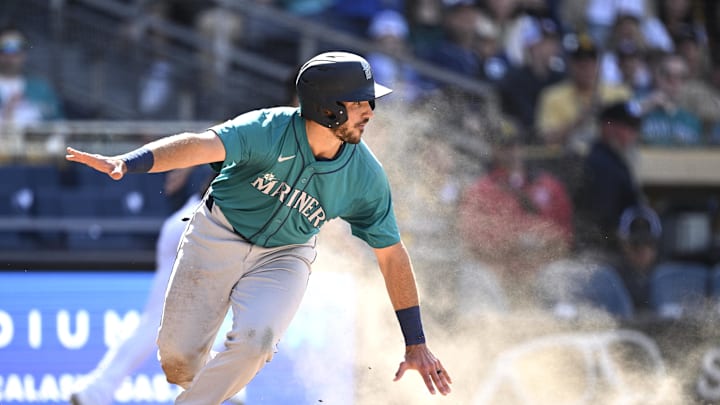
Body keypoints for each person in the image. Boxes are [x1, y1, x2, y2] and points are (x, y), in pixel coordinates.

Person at [65, 51, 452, 404]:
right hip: (217, 233)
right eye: (359, 101)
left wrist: (415, 342)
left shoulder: (366, 176)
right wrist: (128, 163)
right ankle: (223, 393)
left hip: (285, 255)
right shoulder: (267, 128)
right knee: (178, 362)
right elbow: (200, 146)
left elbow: (391, 256)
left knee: (257, 342)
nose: (370, 110)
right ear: (328, 108)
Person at [68, 171, 242, 405]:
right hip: (202, 226)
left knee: (161, 322)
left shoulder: (262, 156)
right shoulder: (261, 156)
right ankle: (98, 389)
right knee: (166, 323)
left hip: (187, 224)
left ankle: (97, 389)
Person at [457, 119, 574, 302]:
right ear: (494, 149)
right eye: (504, 146)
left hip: (544, 269)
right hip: (499, 274)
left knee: (562, 276)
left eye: (514, 144)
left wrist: (541, 239)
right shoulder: (480, 191)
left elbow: (565, 233)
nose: (511, 151)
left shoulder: (549, 186)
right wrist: (513, 241)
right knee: (476, 277)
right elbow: (473, 237)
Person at [573, 101, 644, 254]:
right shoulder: (601, 164)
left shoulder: (614, 161)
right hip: (601, 253)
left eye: (635, 128)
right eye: (627, 126)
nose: (632, 134)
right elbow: (602, 220)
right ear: (608, 126)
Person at [0, 27, 63, 127]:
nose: (10, 55)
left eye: (17, 48)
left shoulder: (42, 89)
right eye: (4, 48)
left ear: (24, 53)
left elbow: (59, 124)